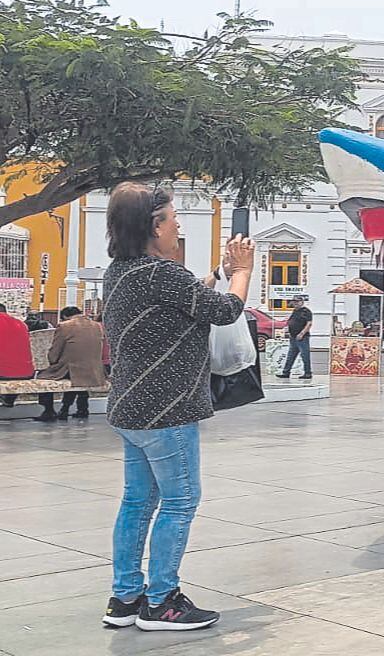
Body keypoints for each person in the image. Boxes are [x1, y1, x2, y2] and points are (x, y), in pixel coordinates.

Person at [99, 182, 253, 632]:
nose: (177, 225)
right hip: (166, 410)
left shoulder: (123, 271)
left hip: (130, 407)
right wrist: (242, 271)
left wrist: (218, 272)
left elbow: (190, 298)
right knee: (181, 499)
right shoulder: (162, 273)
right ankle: (163, 601)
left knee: (137, 501)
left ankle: (125, 597)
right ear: (153, 226)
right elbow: (225, 311)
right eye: (170, 218)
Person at [34, 306, 106, 422]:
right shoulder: (97, 326)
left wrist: (53, 362)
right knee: (78, 376)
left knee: (43, 376)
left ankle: (48, 411)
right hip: (95, 370)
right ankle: (80, 408)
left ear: (65, 317)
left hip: (73, 369)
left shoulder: (65, 326)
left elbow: (55, 352)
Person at [0, 303, 36, 408]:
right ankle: (9, 398)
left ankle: (7, 398)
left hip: (3, 373)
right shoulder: (20, 323)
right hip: (27, 373)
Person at [278, 296, 313, 380]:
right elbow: (291, 321)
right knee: (291, 355)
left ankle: (307, 373)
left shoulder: (306, 311)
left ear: (302, 302)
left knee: (305, 355)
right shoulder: (295, 311)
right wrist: (288, 330)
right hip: (293, 337)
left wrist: (302, 334)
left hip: (302, 337)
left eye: (297, 301)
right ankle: (286, 372)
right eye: (294, 302)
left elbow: (309, 324)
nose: (295, 303)